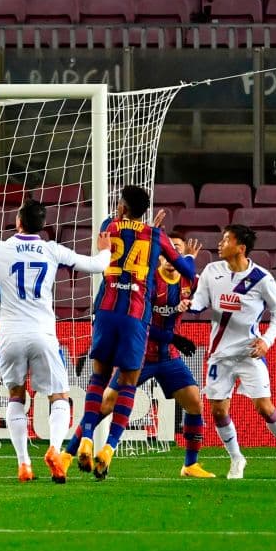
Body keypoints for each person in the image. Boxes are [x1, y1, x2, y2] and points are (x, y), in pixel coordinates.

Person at [0, 198, 111, 484]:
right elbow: (97, 265)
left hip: (9, 334)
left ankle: (24, 464)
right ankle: (54, 449)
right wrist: (106, 249)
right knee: (58, 396)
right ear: (43, 225)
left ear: (18, 222)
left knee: (15, 395)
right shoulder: (52, 249)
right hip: (43, 334)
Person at [62, 231, 215, 478]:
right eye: (168, 251)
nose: (171, 256)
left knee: (195, 402)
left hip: (168, 357)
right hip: (139, 353)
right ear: (161, 255)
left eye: (176, 250)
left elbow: (205, 299)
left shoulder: (190, 281)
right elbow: (142, 323)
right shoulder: (149, 281)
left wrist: (194, 306)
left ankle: (190, 465)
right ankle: (68, 455)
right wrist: (172, 336)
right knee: (105, 404)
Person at [74, 185, 196, 480]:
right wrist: (188, 258)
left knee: (98, 378)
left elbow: (119, 234)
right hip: (135, 316)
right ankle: (109, 448)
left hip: (105, 311)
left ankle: (87, 437)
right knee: (128, 384)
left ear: (122, 207)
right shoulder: (156, 235)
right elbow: (187, 271)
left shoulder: (109, 225)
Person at [180, 224, 276, 479]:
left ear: (241, 247)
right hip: (220, 355)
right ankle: (237, 459)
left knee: (264, 407)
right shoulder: (212, 271)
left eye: (226, 239)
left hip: (250, 354)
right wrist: (189, 304)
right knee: (218, 411)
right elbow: (200, 302)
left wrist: (267, 340)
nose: (220, 243)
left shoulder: (261, 278)